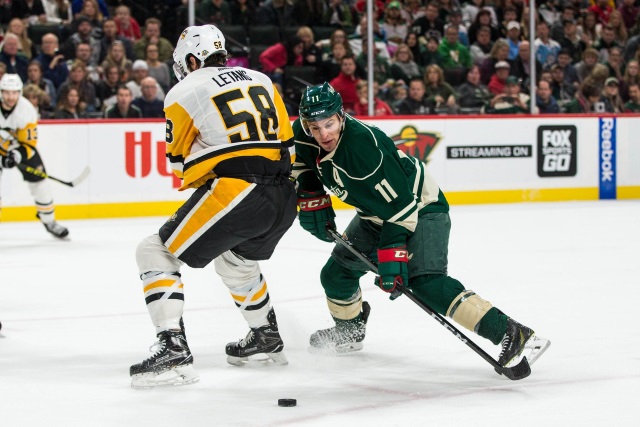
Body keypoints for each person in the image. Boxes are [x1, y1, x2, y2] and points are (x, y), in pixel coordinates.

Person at [291, 82, 549, 372]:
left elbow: (401, 208)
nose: (323, 133)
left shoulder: (363, 152)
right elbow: (301, 162)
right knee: (336, 274)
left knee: (426, 282)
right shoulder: (304, 134)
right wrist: (311, 193)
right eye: (315, 126)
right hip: (375, 214)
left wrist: (392, 255)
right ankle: (350, 330)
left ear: (341, 116)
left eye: (329, 123)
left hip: (421, 208)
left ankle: (509, 332)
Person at [129, 24, 297, 388]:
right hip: (285, 195)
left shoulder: (184, 90)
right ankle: (265, 335)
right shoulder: (261, 79)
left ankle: (172, 349)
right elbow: (289, 143)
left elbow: (178, 164)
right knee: (236, 259)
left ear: (193, 59)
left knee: (154, 251)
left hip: (239, 189)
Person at [0, 73, 69, 238]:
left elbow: (29, 144)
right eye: (7, 92)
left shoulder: (26, 110)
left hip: (19, 148)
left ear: (20, 92)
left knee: (40, 185)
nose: (11, 97)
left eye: (15, 92)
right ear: (1, 92)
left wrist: (16, 155)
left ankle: (49, 221)